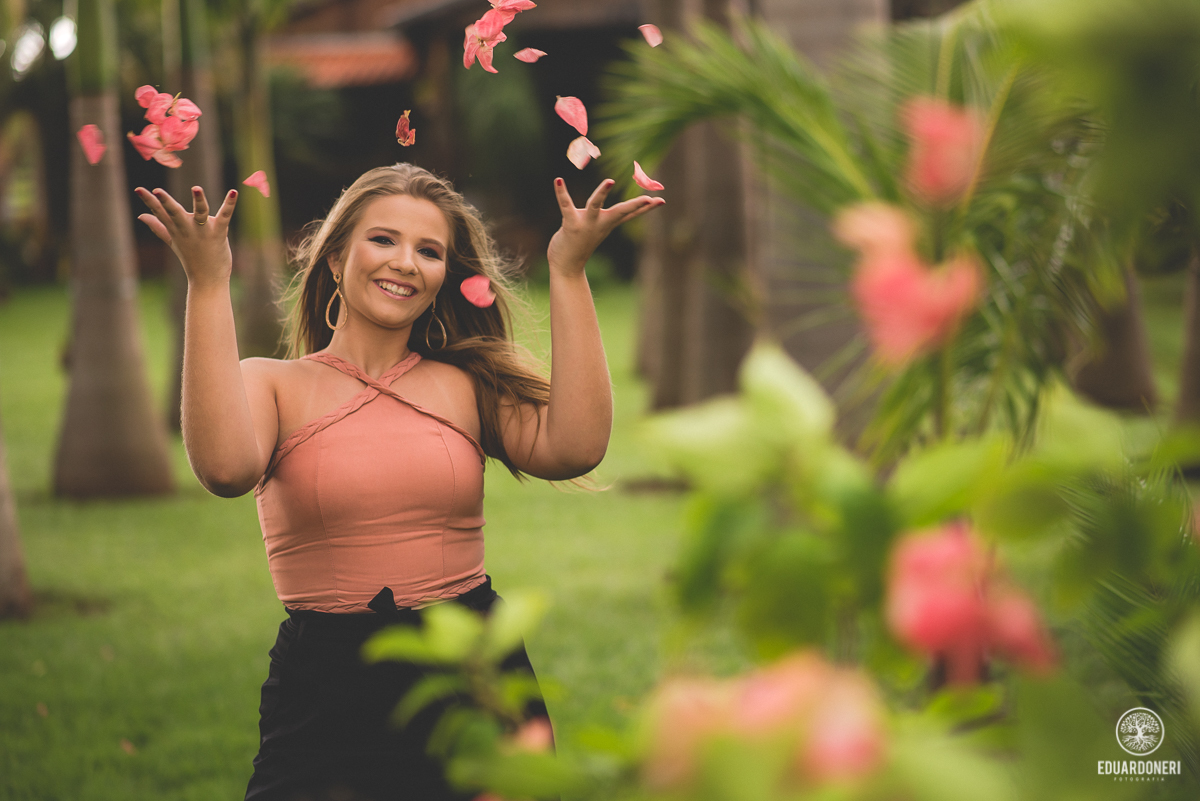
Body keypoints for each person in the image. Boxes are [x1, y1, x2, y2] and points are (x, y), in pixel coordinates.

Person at [134, 163, 665, 801]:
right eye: (384, 240)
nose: (406, 262)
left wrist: (569, 271)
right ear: (335, 259)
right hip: (326, 684)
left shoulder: (466, 385)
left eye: (429, 250)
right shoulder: (273, 384)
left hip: (469, 669)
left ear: (444, 277)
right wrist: (207, 282)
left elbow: (575, 446)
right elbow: (224, 470)